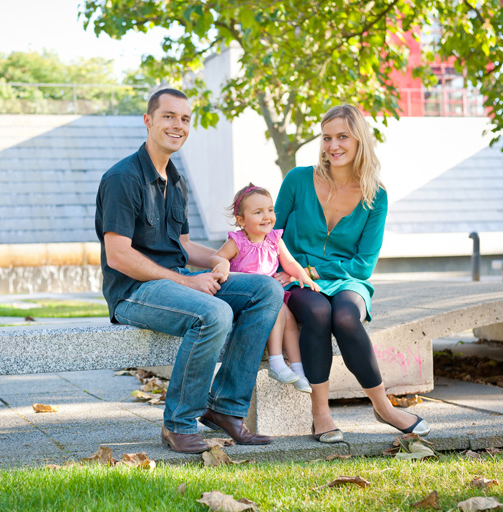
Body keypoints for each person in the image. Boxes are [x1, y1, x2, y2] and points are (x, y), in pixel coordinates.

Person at [95, 88, 283, 454]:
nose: (177, 125)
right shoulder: (122, 178)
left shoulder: (176, 181)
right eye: (168, 116)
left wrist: (216, 261)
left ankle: (226, 409)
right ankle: (178, 424)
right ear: (148, 120)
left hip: (174, 283)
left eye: (184, 119)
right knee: (214, 312)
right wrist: (186, 281)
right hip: (134, 292)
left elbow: (181, 245)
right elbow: (118, 256)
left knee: (266, 290)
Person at [273, 104, 430, 443]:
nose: (333, 146)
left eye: (343, 136)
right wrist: (294, 271)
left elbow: (363, 265)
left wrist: (314, 267)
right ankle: (321, 412)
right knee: (317, 312)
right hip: (296, 278)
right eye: (327, 137)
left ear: (359, 140)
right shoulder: (298, 180)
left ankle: (383, 406)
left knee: (344, 316)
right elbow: (272, 235)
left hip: (348, 280)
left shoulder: (376, 196)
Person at [209, 184, 319, 393]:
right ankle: (277, 362)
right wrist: (222, 263)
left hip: (272, 294)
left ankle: (298, 369)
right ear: (241, 220)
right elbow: (216, 256)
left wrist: (303, 275)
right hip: (249, 299)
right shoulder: (238, 241)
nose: (267, 216)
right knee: (277, 309)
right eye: (258, 212)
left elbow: (290, 263)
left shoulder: (274, 239)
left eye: (270, 210)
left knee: (290, 319)